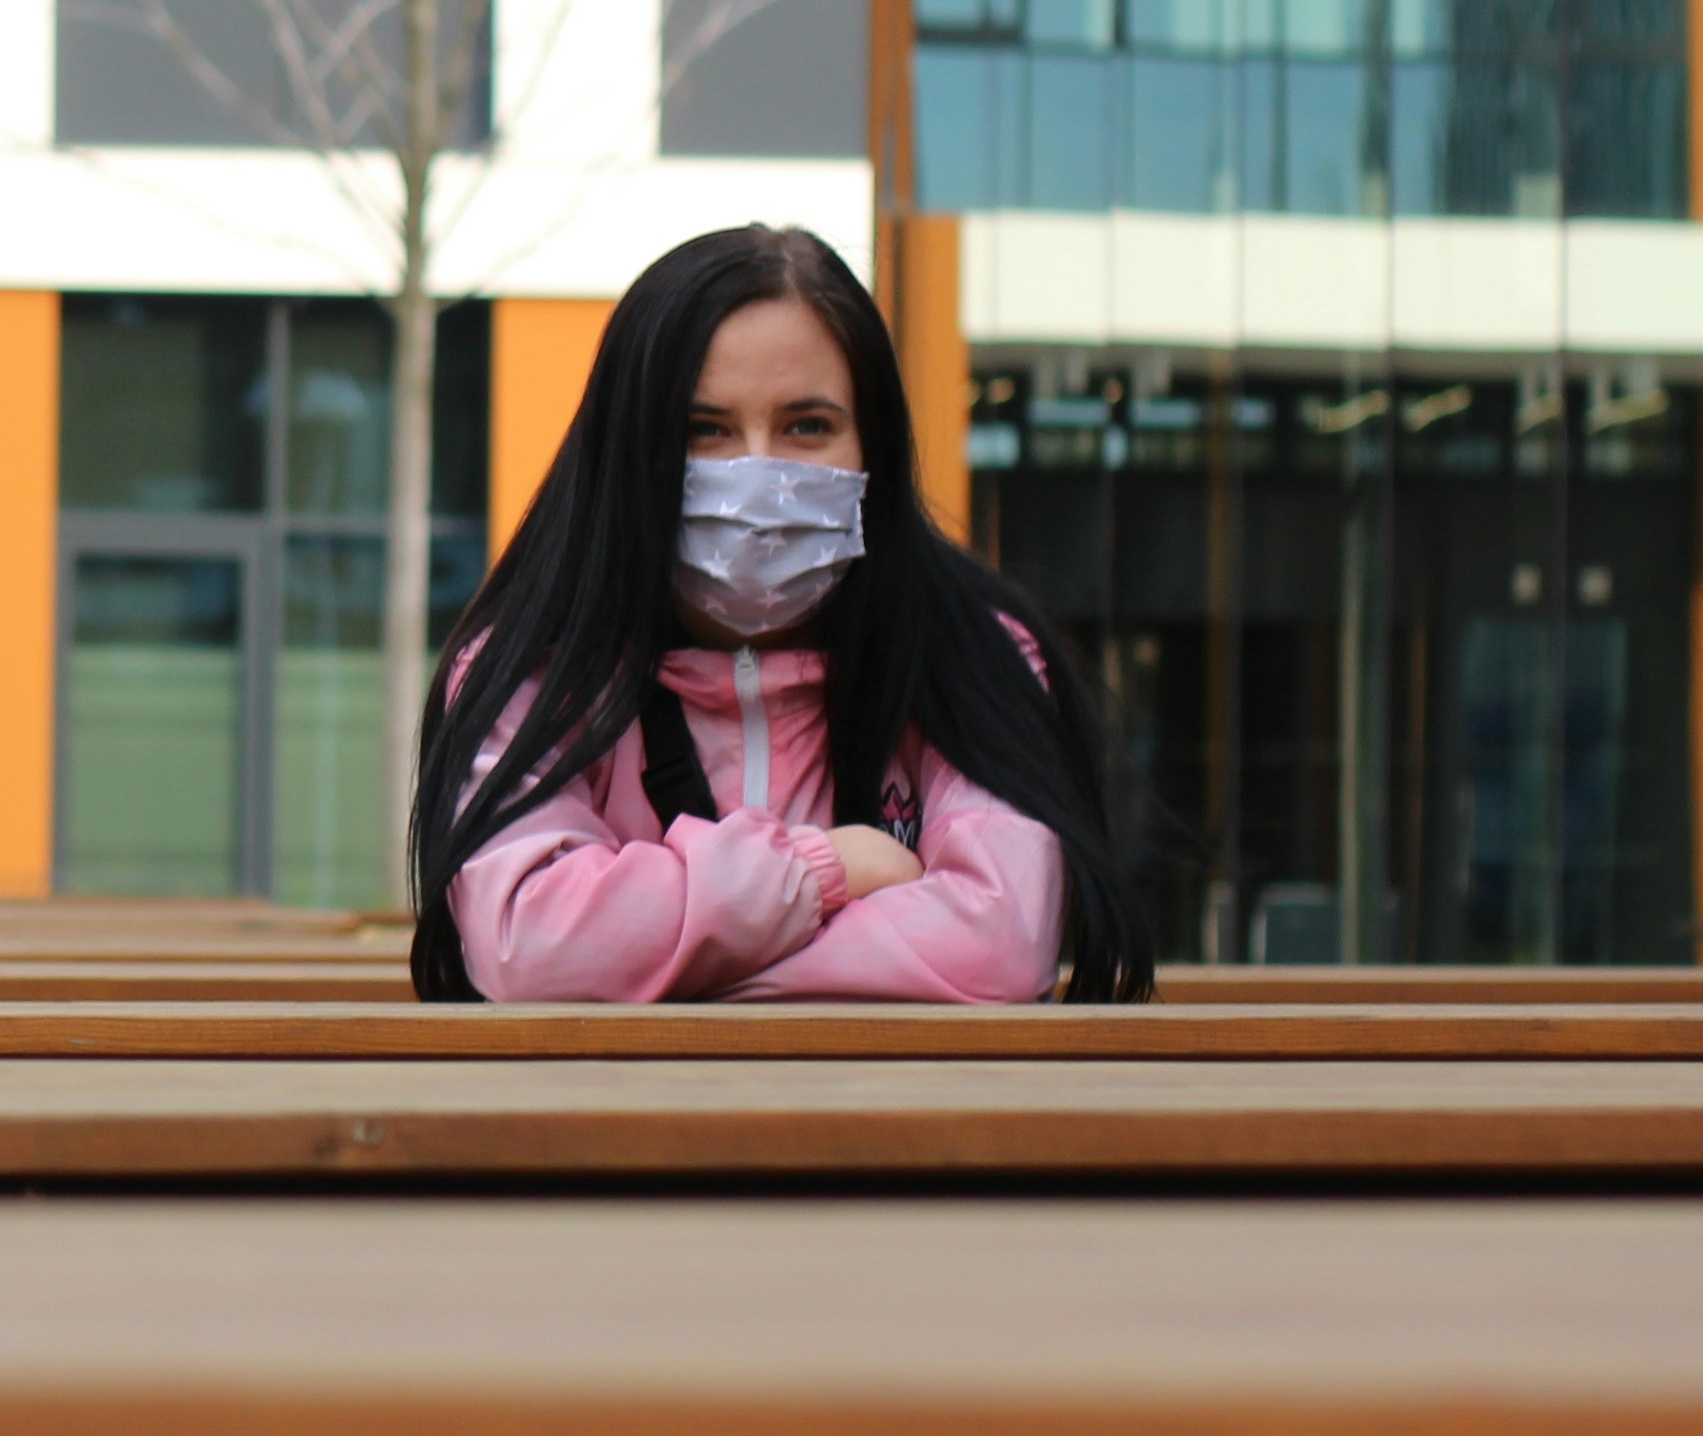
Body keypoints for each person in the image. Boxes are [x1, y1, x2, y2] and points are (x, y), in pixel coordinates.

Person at [406, 222, 1153, 1004]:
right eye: (705, 430)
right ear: (629, 453)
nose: (756, 471)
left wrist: (658, 962)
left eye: (807, 427)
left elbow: (1000, 948)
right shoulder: (537, 673)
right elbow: (537, 951)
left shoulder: (978, 659)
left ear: (875, 448)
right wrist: (827, 871)